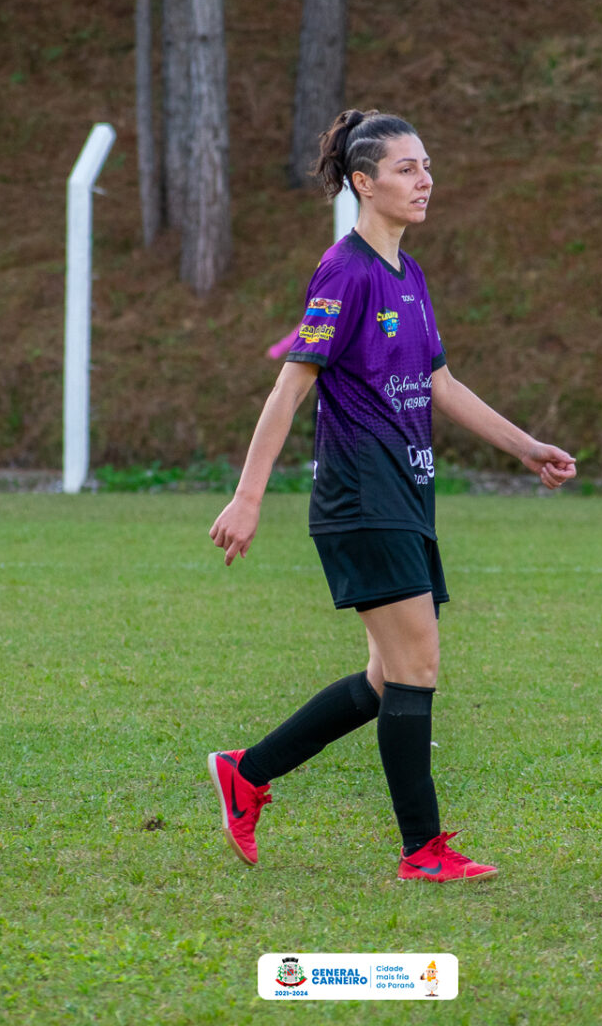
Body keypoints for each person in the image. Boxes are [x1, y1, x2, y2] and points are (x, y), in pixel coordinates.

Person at [205, 108, 577, 884]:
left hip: (407, 489)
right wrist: (248, 497)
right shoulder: (345, 271)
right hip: (360, 492)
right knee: (418, 667)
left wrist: (526, 446)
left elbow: (440, 384)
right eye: (407, 168)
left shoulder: (410, 277)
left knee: (386, 679)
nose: (425, 179)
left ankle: (248, 773)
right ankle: (422, 850)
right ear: (363, 182)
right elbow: (289, 386)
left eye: (427, 165)